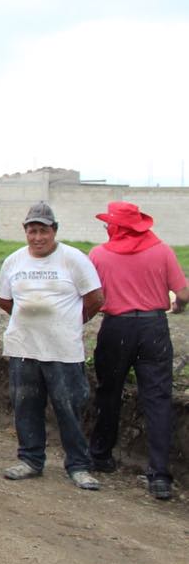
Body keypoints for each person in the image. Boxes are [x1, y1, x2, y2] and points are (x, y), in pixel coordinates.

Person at [0, 202, 104, 490]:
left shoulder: (74, 259)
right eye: (32, 231)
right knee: (25, 405)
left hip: (63, 350)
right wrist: (32, 319)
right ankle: (30, 460)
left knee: (68, 406)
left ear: (54, 230)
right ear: (25, 232)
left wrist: (69, 324)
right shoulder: (14, 261)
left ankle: (78, 466)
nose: (38, 237)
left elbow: (95, 299)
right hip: (23, 347)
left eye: (43, 231)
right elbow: (4, 300)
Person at [87, 202, 188, 500]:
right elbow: (182, 293)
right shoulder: (162, 250)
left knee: (108, 392)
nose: (106, 228)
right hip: (153, 328)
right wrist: (178, 305)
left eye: (109, 224)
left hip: (116, 327)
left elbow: (91, 296)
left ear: (116, 227)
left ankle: (101, 456)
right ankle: (159, 475)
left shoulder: (99, 254)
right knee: (157, 399)